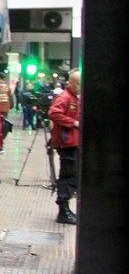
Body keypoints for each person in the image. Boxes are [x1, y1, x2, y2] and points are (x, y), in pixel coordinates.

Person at [48, 70, 81, 224]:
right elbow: (54, 113)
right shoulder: (65, 97)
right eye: (78, 84)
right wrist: (72, 123)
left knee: (71, 174)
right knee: (68, 175)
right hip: (66, 142)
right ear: (71, 83)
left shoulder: (74, 97)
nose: (80, 87)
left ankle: (65, 208)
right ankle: (63, 210)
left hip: (72, 142)